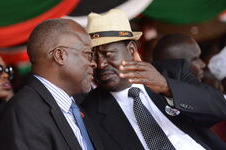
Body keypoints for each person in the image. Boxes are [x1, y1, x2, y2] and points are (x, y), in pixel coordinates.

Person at [81, 9, 226, 150]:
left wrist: (166, 87)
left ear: (131, 50)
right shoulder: (90, 110)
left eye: (108, 54)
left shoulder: (172, 72)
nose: (101, 64)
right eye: (92, 57)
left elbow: (219, 108)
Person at [0, 19, 103, 150]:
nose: (94, 63)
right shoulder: (23, 113)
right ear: (60, 55)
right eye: (88, 54)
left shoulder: (75, 107)